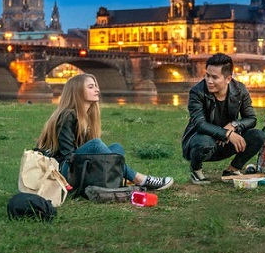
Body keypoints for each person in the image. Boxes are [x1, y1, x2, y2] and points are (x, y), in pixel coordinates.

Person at [36, 73, 173, 191]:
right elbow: (68, 156)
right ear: (77, 91)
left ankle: (111, 181)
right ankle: (139, 179)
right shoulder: (67, 115)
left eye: (96, 86)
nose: (97, 90)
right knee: (96, 144)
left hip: (77, 167)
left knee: (116, 148)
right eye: (91, 87)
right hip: (63, 171)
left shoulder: (86, 116)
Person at [181, 53, 265, 185]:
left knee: (258, 136)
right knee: (204, 140)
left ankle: (233, 170)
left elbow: (251, 119)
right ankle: (196, 170)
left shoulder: (240, 90)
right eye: (207, 75)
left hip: (225, 144)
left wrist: (234, 125)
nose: (209, 80)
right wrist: (227, 133)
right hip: (201, 143)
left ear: (228, 79)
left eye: (214, 77)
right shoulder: (197, 92)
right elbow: (200, 124)